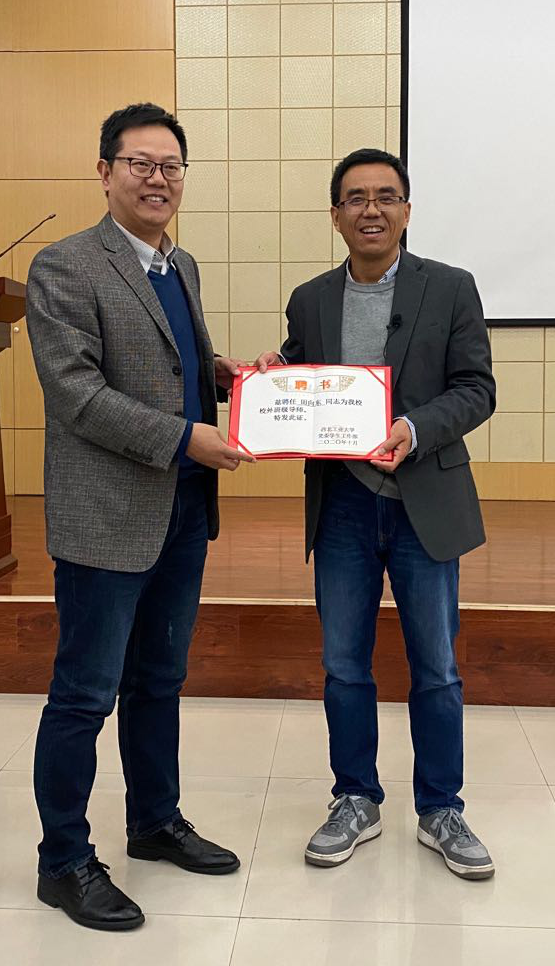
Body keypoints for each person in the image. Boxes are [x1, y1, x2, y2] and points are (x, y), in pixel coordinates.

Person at [26, 102, 254, 931]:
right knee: (85, 693)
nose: (158, 180)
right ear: (105, 172)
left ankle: (154, 821)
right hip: (106, 515)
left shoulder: (178, 263)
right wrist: (187, 437)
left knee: (159, 680)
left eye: (171, 167)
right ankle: (63, 861)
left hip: (183, 509)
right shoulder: (64, 266)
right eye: (141, 164)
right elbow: (78, 394)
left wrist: (223, 375)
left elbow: (164, 359)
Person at [255, 147, 498, 880]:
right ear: (336, 215)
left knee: (437, 668)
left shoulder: (450, 288)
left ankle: (441, 808)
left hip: (424, 502)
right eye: (356, 198)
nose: (371, 209)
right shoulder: (310, 298)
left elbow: (476, 389)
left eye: (386, 197)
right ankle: (355, 798)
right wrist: (273, 382)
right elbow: (303, 372)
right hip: (343, 508)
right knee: (343, 665)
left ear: (407, 211)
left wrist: (414, 429)